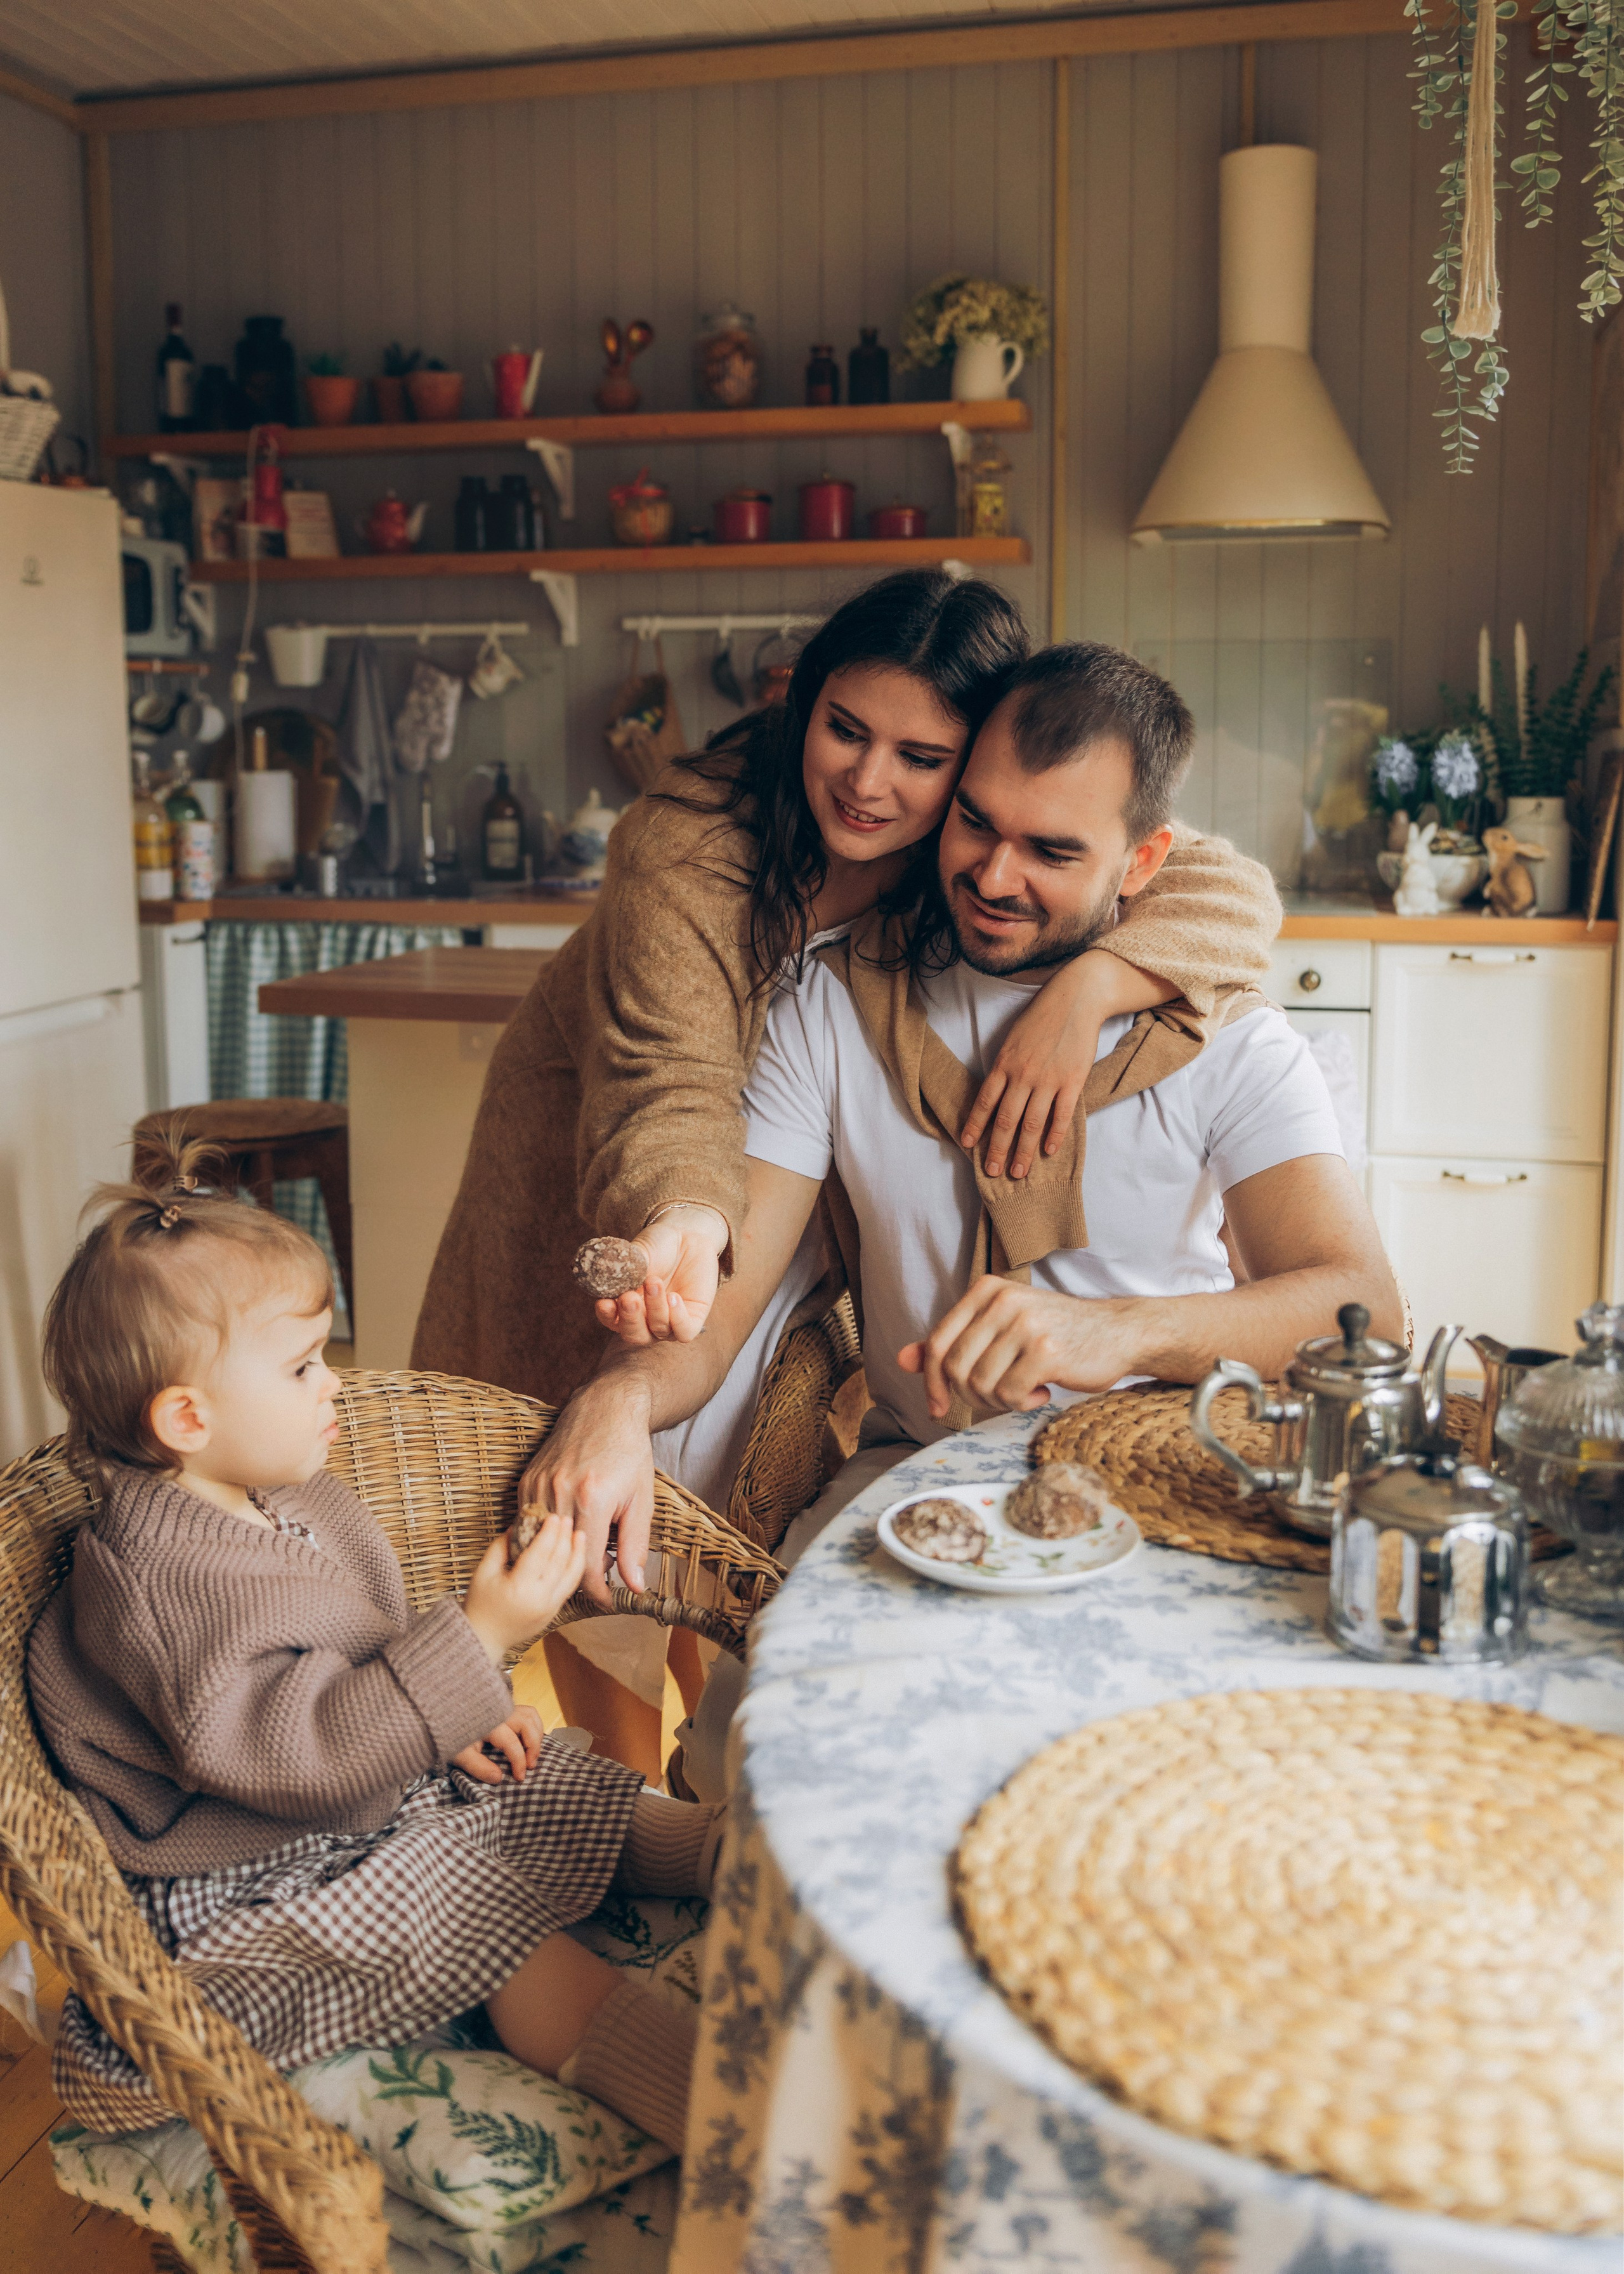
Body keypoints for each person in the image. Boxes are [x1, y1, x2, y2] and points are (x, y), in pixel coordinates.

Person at [412, 573, 1282, 1773]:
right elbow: (670, 1081)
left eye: (923, 756)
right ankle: (577, 1794)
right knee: (562, 1468)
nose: (871, 784)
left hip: (778, 1161)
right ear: (798, 705)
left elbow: (1228, 892)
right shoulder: (691, 842)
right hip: (604, 1150)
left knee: (712, 1480)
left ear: (977, 757)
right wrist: (677, 1219)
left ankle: (665, 1781)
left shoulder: (979, 846)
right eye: (843, 730)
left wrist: (1087, 989)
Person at [26, 1135, 721, 2148]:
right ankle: (709, 2106)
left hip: (357, 1787)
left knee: (541, 1777)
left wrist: (459, 1714)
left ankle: (721, 1856)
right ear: (187, 1416)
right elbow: (295, 1756)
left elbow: (356, 1654)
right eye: (304, 1365)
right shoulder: (156, 1589)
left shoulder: (279, 1489)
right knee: (471, 1898)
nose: (334, 1385)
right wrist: (481, 1635)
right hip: (255, 1863)